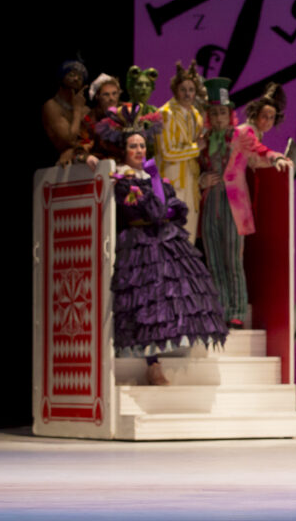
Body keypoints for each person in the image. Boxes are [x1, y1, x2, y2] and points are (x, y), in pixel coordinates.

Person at [97, 103, 227, 385]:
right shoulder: (122, 181)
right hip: (138, 244)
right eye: (133, 146)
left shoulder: (148, 176)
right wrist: (156, 192)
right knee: (147, 299)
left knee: (180, 290)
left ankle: (167, 353)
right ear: (124, 151)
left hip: (163, 239)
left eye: (143, 145)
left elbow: (175, 209)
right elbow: (155, 210)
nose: (140, 151)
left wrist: (157, 190)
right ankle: (151, 364)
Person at [198, 80, 292, 328]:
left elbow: (259, 149)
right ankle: (219, 309)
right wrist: (201, 180)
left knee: (232, 259)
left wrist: (276, 157)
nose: (218, 117)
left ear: (229, 114)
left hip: (233, 204)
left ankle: (237, 311)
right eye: (214, 113)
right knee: (214, 260)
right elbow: (191, 167)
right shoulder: (203, 141)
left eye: (222, 112)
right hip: (211, 203)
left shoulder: (240, 134)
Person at [158, 60, 206, 242]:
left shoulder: (196, 115)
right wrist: (195, 148)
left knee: (190, 236)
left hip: (191, 182)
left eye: (191, 89)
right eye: (183, 89)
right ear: (175, 90)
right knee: (172, 234)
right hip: (173, 180)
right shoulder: (166, 113)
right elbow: (168, 152)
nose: (187, 94)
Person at [42, 59, 91, 166]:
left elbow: (94, 138)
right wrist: (77, 111)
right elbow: (69, 140)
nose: (76, 78)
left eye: (80, 76)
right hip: (59, 166)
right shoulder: (52, 106)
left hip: (86, 160)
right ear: (62, 77)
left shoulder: (86, 109)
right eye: (72, 74)